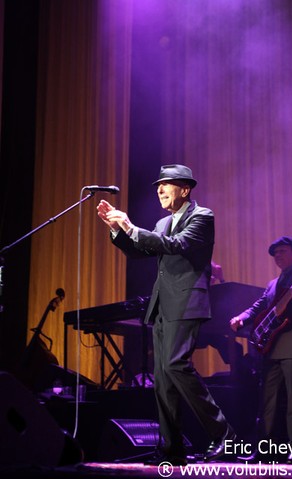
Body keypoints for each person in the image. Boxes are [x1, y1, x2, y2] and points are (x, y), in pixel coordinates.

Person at [97, 164, 235, 465]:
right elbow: (140, 251)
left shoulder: (202, 216)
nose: (159, 189)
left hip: (188, 302)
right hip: (162, 305)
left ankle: (225, 436)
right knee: (163, 379)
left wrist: (131, 226)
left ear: (184, 189)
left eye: (166, 184)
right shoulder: (161, 224)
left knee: (176, 365)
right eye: (158, 184)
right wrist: (116, 229)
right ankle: (172, 450)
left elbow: (178, 245)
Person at [230, 236, 292, 464]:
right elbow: (259, 306)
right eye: (275, 253)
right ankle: (264, 449)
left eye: (282, 251)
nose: (277, 256)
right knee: (266, 401)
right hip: (271, 347)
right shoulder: (271, 284)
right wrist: (241, 317)